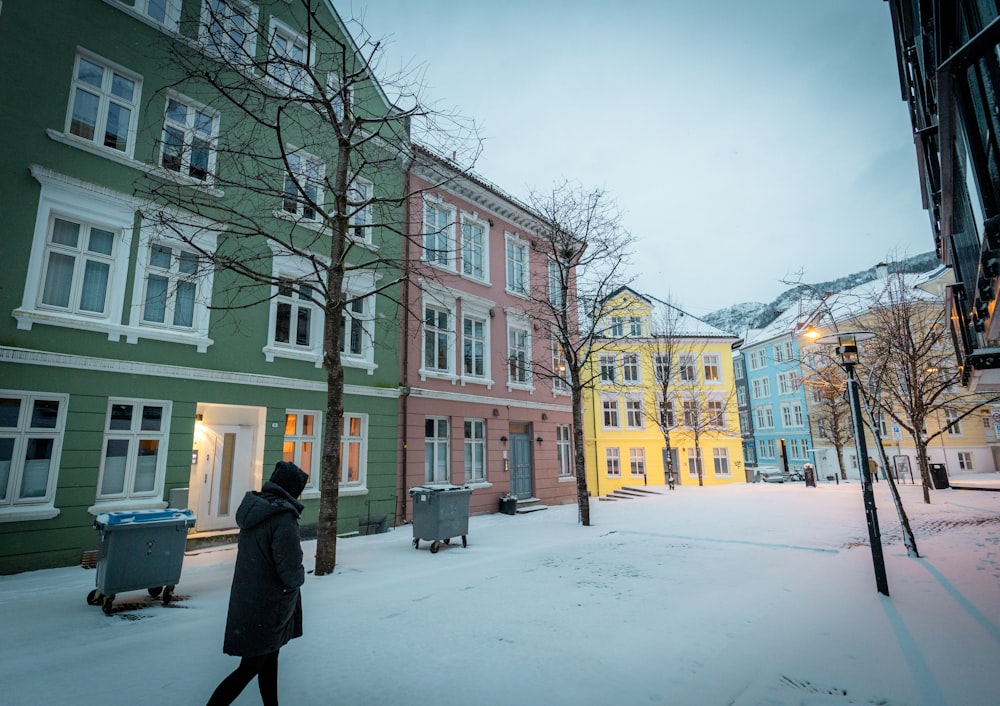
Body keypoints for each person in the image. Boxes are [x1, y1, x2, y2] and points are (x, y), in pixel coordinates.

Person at [207, 461, 309, 706]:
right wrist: (299, 577)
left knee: (267, 661)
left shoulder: (257, 510)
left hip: (250, 597)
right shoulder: (283, 518)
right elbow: (290, 568)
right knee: (251, 666)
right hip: (270, 604)